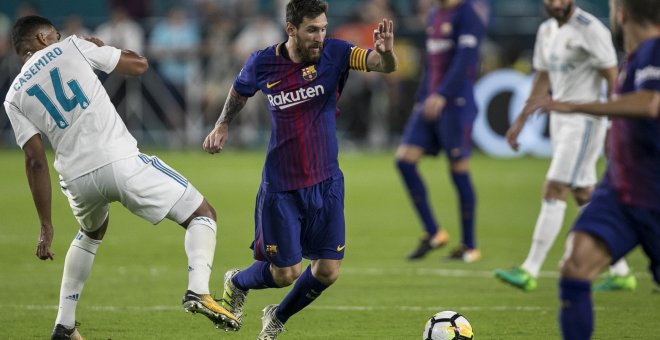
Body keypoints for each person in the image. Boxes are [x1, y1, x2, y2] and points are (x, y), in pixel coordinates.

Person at [3, 16, 237, 339]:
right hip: (119, 161)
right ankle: (198, 289)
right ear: (43, 38)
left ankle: (64, 325)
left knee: (90, 232)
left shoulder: (13, 96)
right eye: (54, 35)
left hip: (76, 180)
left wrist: (46, 225)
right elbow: (138, 66)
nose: (58, 38)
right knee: (203, 215)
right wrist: (102, 48)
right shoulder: (72, 45)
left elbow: (34, 162)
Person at [202, 0, 397, 338]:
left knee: (327, 271)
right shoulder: (263, 62)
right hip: (282, 188)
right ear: (291, 29)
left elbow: (380, 64)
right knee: (285, 273)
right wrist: (221, 125)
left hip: (327, 182)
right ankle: (236, 281)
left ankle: (277, 316)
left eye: (322, 28)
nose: (319, 36)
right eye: (311, 30)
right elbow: (239, 91)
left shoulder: (336, 53)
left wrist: (387, 53)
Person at [532, 1, 660, 338]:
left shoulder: (654, 51)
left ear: (622, 15)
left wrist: (574, 105)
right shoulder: (634, 56)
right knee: (575, 266)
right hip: (622, 192)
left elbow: (649, 103)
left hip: (654, 192)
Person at [494, 0, 637, 292]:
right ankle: (621, 270)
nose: (556, 3)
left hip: (585, 122)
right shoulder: (546, 31)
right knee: (583, 192)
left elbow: (613, 81)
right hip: (560, 121)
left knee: (554, 186)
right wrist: (521, 118)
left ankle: (529, 269)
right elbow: (542, 76)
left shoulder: (591, 30)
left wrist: (613, 126)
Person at [395, 0, 486, 262]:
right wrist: (424, 97)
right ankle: (434, 231)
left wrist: (443, 94)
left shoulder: (468, 13)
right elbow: (432, 63)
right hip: (430, 102)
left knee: (458, 169)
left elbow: (465, 60)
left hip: (456, 104)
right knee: (404, 161)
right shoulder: (436, 13)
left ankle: (470, 246)